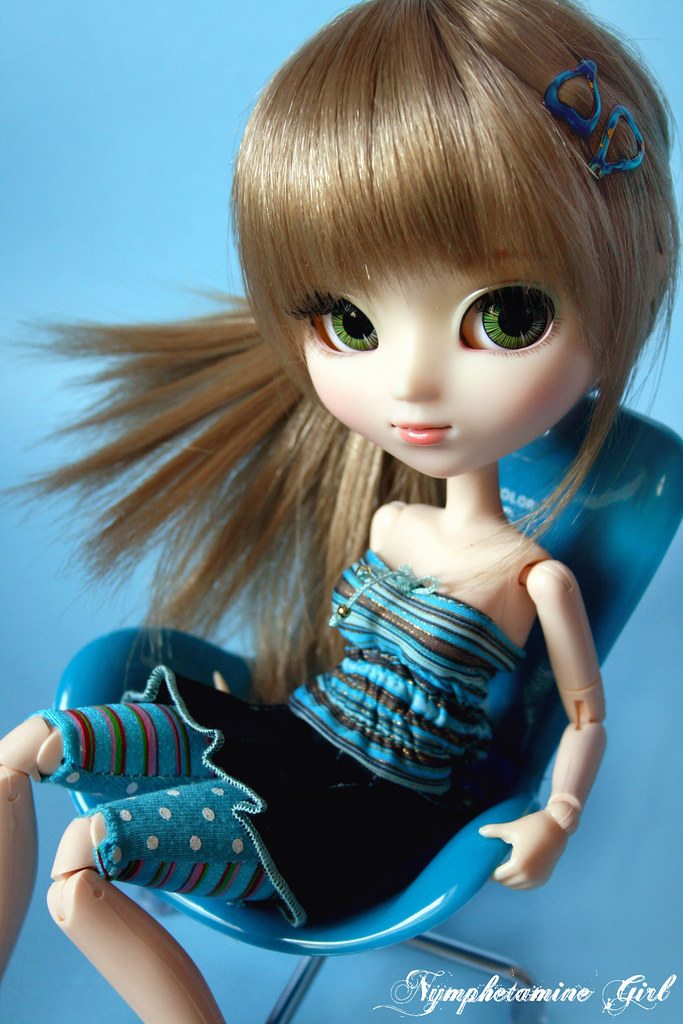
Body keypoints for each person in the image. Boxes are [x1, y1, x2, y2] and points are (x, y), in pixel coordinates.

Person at [0, 1, 678, 1021]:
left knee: (87, 858)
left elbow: (583, 715)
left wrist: (555, 815)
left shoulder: (534, 577)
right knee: (24, 750)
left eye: (506, 316)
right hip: (288, 740)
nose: (410, 385)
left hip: (372, 809)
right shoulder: (388, 526)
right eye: (352, 323)